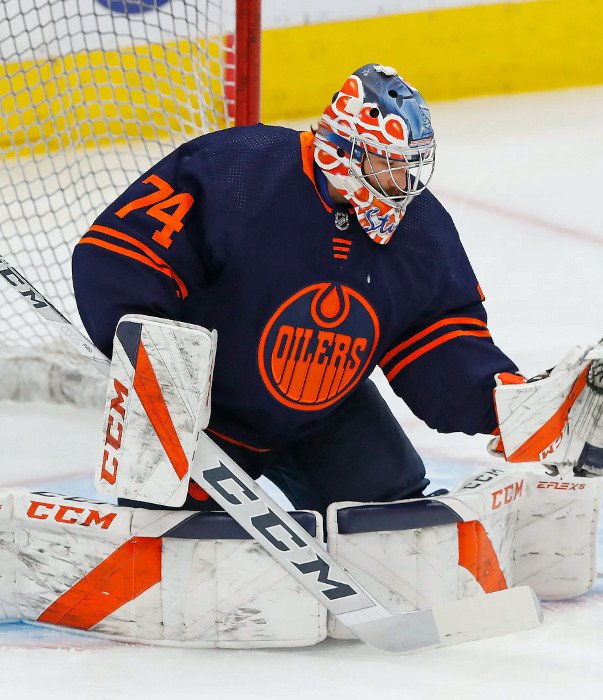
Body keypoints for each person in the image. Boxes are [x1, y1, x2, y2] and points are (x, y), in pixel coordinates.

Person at [72, 63, 520, 513]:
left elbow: (438, 336)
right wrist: (155, 362)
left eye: (409, 168)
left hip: (327, 417)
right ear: (345, 151)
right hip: (204, 417)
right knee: (166, 534)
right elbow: (119, 255)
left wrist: (501, 402)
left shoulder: (420, 228)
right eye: (389, 166)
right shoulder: (236, 170)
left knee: (393, 520)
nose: (403, 185)